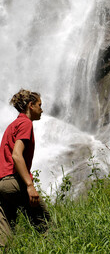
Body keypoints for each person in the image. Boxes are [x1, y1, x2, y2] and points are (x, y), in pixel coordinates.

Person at [0, 89, 50, 246]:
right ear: (31, 105)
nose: (42, 109)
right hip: (14, 181)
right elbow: (16, 155)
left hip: (2, 183)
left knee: (5, 233)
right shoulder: (25, 123)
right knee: (46, 226)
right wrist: (29, 185)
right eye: (39, 105)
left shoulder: (12, 125)